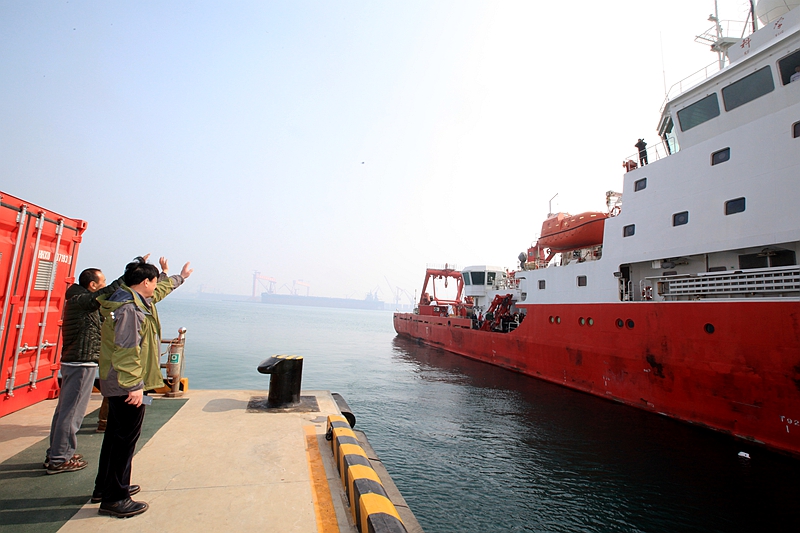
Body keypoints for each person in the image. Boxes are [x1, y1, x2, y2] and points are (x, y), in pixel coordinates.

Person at [93, 256, 192, 518]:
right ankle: (116, 498)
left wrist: (179, 277)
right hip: (126, 385)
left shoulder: (130, 299)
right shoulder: (129, 309)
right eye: (155, 281)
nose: (156, 285)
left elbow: (160, 290)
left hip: (120, 382)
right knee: (124, 440)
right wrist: (134, 386)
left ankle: (105, 487)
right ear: (145, 282)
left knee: (115, 436)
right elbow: (126, 350)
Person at [44, 266, 127, 474]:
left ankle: (57, 452)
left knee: (65, 411)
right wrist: (129, 275)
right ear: (92, 285)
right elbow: (106, 293)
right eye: (102, 281)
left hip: (75, 362)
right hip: (81, 363)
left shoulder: (79, 300)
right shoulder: (82, 301)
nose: (104, 284)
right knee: (72, 412)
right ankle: (59, 458)